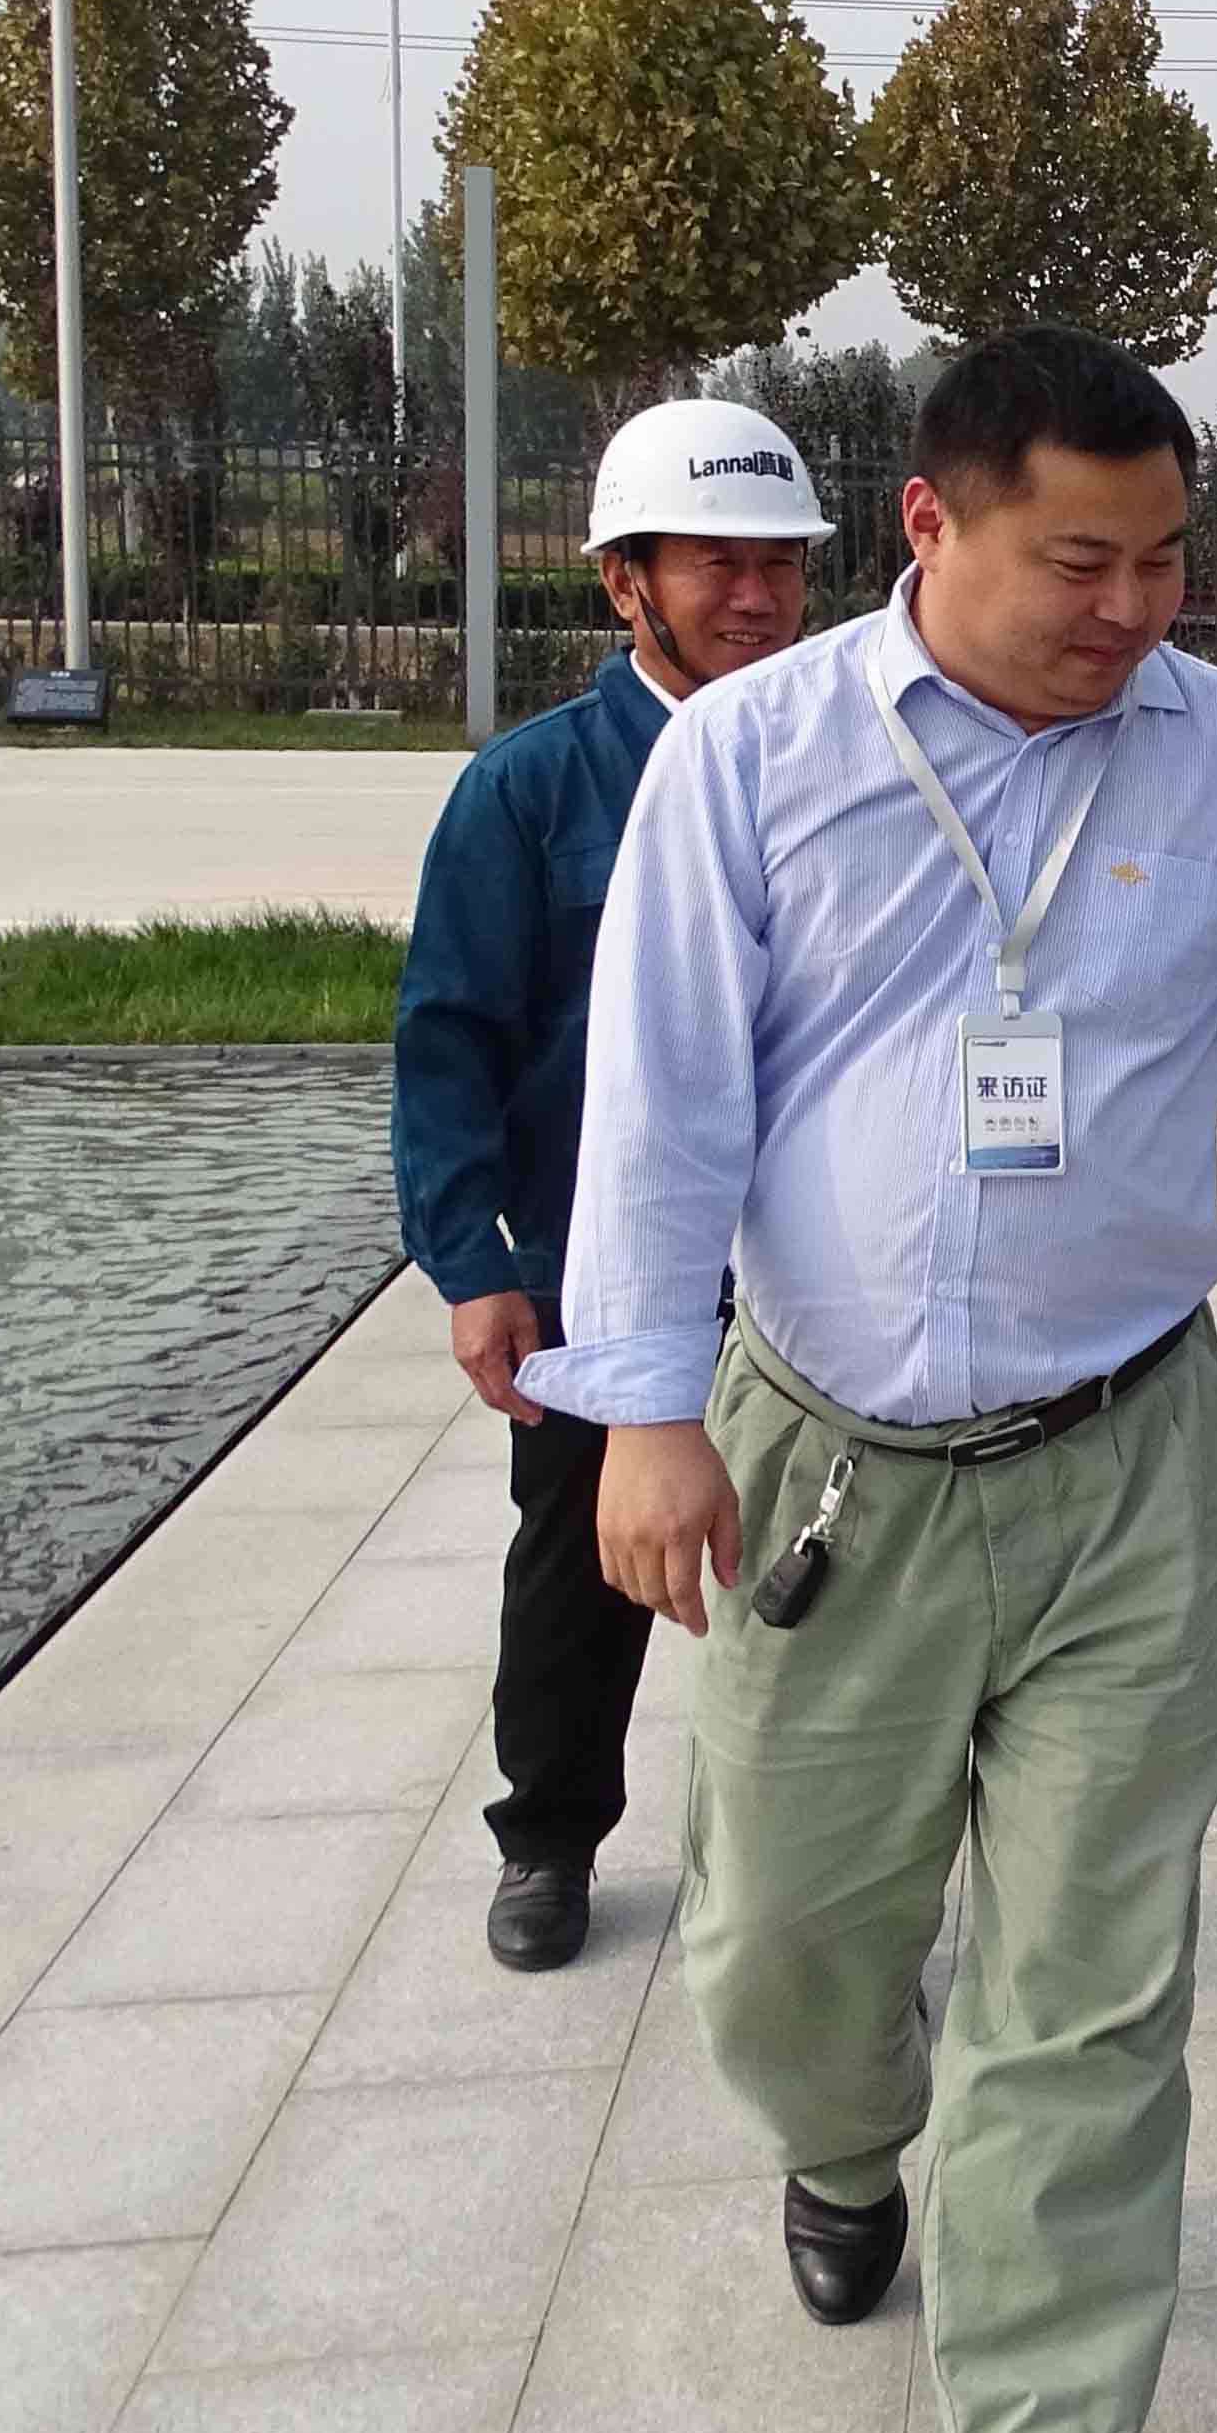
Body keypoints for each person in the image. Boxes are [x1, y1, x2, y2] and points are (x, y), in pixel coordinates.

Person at [528, 326, 1217, 2433]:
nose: (1131, 611)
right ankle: (844, 2141)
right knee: (784, 1948)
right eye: (1078, 563)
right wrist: (642, 1413)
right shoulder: (751, 758)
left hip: (1125, 1460)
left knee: (1089, 1979)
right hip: (832, 1463)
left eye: (1166, 563)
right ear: (930, 527)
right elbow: (659, 1102)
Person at [389, 396, 830, 1978]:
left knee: (834, 1576)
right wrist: (472, 1264)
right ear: (623, 580)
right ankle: (550, 1836)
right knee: (582, 1570)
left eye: (781, 566)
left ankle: (818, 1872)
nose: (757, 599)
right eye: (717, 565)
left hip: (815, 1268)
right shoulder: (534, 791)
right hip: (603, 1263)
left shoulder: (846, 763)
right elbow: (450, 1035)